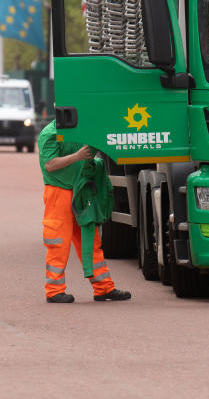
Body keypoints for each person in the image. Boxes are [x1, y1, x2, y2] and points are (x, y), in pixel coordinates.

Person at [37, 120, 131, 304]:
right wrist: (77, 156)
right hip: (59, 192)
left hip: (80, 191)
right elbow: (50, 164)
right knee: (58, 242)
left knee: (91, 241)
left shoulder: (81, 129)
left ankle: (104, 288)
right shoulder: (50, 133)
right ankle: (54, 291)